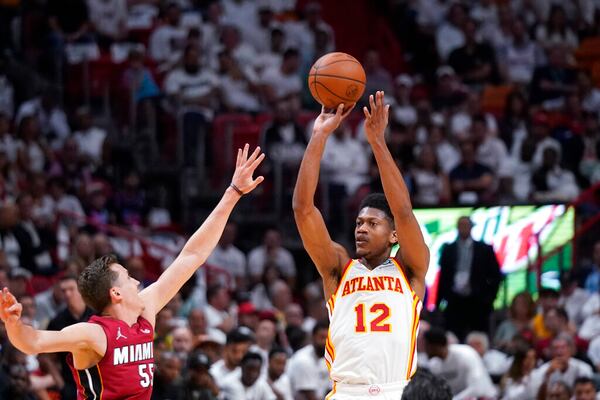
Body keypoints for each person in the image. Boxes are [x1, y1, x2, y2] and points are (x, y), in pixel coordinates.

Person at [0, 144, 265, 399]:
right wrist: (13, 324)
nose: (137, 281)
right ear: (115, 293)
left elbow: (191, 256)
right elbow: (32, 342)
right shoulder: (94, 334)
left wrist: (233, 194)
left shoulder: (144, 311)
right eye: (128, 278)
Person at [292, 91, 430, 399]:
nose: (361, 230)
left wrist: (377, 142)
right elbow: (303, 210)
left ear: (394, 235)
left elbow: (404, 212)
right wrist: (319, 136)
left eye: (372, 224)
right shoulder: (339, 267)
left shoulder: (409, 269)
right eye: (358, 223)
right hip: (346, 393)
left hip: (397, 392)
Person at [437, 215, 502, 340]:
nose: (463, 228)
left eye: (466, 225)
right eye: (461, 225)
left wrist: (490, 297)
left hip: (477, 300)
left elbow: (496, 275)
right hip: (454, 300)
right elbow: (443, 276)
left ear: (471, 227)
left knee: (478, 336)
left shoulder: (484, 249)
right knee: (453, 335)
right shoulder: (449, 249)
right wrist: (440, 301)